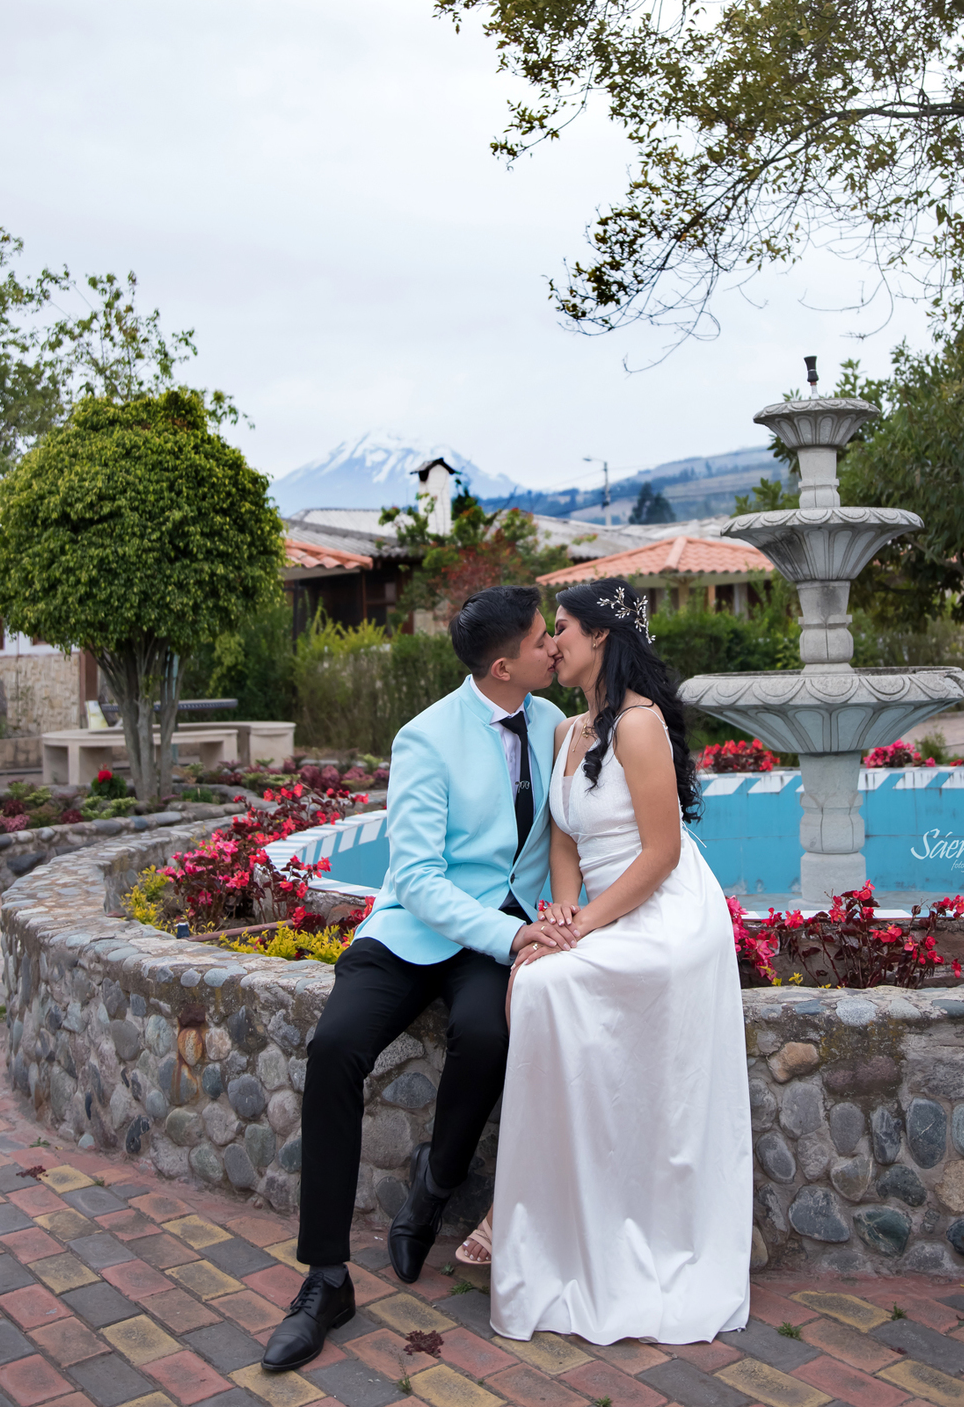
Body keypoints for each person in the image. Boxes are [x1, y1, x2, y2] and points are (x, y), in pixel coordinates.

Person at [262, 585, 570, 1372]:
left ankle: (433, 1189)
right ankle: (325, 1279)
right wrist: (513, 935)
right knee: (334, 1048)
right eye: (543, 638)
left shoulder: (553, 723)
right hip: (414, 929)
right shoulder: (425, 738)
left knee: (488, 1034)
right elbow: (421, 880)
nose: (554, 646)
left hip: (493, 937)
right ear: (503, 667)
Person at [460, 577, 752, 1345]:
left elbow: (661, 854)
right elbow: (564, 840)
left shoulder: (640, 724)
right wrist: (560, 915)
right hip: (604, 913)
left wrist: (583, 923)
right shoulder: (569, 731)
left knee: (544, 985)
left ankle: (517, 1208)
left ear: (600, 637)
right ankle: (541, 1207)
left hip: (666, 916)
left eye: (560, 628)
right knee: (535, 976)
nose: (550, 642)